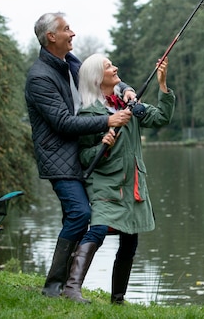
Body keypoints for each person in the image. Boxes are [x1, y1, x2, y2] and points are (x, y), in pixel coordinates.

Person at [25, 12, 135, 298]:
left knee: (90, 215)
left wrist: (125, 89)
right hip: (59, 158)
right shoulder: (39, 77)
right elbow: (62, 122)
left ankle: (70, 287)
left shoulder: (69, 63)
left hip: (85, 152)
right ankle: (54, 287)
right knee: (79, 213)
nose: (72, 33)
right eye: (66, 29)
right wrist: (107, 121)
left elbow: (100, 76)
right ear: (51, 36)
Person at [61, 53, 175, 304]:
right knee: (98, 229)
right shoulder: (90, 113)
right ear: (97, 78)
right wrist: (104, 144)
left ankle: (118, 299)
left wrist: (163, 84)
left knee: (130, 239)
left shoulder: (129, 105)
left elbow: (161, 118)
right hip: (105, 184)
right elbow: (83, 156)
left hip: (131, 183)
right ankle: (71, 288)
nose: (115, 68)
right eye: (109, 66)